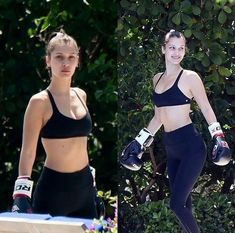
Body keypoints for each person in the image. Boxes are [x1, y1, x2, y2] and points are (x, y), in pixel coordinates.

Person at [120, 30, 231, 233]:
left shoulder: (190, 77)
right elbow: (158, 117)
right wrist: (138, 142)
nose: (176, 52)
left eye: (181, 48)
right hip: (172, 150)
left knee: (176, 204)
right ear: (163, 49)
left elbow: (206, 107)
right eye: (172, 47)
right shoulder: (157, 79)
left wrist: (219, 136)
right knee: (184, 206)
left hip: (191, 148)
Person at [12, 29, 101, 219]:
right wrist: (20, 194)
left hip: (85, 189)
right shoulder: (40, 102)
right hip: (54, 190)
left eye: (71, 57)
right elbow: (28, 151)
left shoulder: (81, 94)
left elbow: (80, 146)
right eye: (59, 57)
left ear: (78, 61)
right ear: (48, 61)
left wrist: (92, 185)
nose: (66, 63)